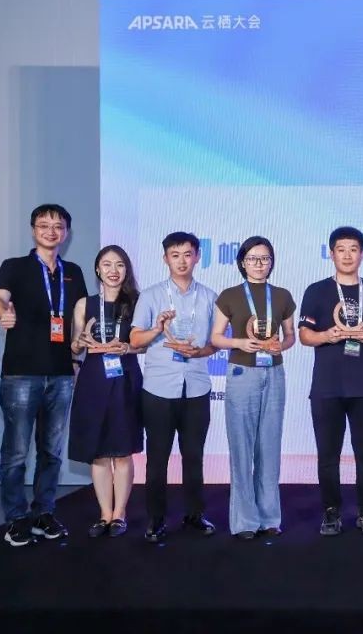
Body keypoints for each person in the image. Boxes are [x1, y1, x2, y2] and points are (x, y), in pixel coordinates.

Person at [0, 204, 88, 546]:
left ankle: (44, 512)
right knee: (16, 453)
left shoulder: (73, 272)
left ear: (66, 233)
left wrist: (77, 355)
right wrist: (3, 313)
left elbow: (78, 320)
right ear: (33, 229)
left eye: (58, 226)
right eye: (44, 225)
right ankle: (16, 517)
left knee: (51, 452)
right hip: (21, 374)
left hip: (61, 375)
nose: (51, 231)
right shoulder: (15, 266)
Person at [130, 232, 218, 542]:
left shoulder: (209, 297)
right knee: (157, 458)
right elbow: (134, 340)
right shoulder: (151, 296)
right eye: (175, 255)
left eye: (188, 254)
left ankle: (195, 514)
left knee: (194, 456)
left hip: (196, 387)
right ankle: (156, 519)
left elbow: (215, 344)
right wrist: (157, 328)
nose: (182, 261)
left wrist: (200, 351)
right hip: (158, 389)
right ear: (165, 258)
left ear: (197, 257)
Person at [299, 227, 363, 536]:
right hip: (327, 387)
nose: (347, 255)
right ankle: (331, 512)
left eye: (353, 249)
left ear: (362, 253)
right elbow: (304, 335)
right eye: (341, 249)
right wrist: (326, 335)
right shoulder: (316, 291)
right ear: (331, 253)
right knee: (328, 455)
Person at [210, 236, 296, 540]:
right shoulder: (230, 295)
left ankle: (270, 517)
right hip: (241, 372)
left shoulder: (282, 296)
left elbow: (290, 336)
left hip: (274, 372)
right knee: (242, 447)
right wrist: (239, 343)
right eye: (253, 258)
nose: (259, 264)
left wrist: (282, 345)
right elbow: (215, 337)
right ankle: (245, 521)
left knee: (269, 445)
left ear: (272, 262)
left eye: (265, 259)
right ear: (242, 262)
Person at [68, 245, 144, 538]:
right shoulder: (84, 304)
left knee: (122, 451)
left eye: (120, 264)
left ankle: (119, 513)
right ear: (98, 269)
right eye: (107, 264)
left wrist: (126, 347)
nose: (114, 270)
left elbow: (145, 345)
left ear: (126, 270)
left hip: (125, 378)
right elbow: (75, 347)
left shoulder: (136, 302)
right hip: (93, 379)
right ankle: (104, 514)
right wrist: (79, 342)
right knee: (98, 452)